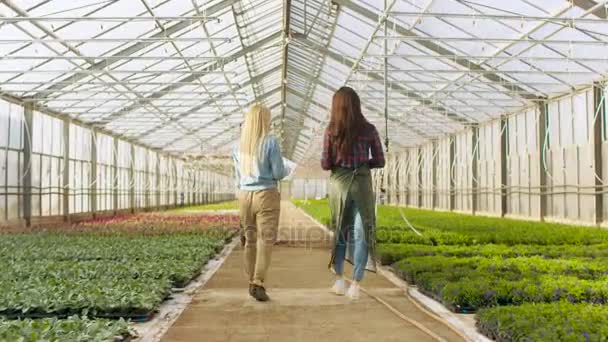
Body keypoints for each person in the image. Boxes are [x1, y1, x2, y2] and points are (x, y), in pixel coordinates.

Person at [321, 86, 385, 300]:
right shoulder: (369, 130)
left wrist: (340, 163)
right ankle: (356, 283)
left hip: (339, 186)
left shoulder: (331, 130)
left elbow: (325, 163)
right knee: (361, 232)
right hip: (362, 186)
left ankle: (339, 280)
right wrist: (363, 164)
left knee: (341, 230)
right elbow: (380, 161)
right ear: (357, 105)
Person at [232, 104, 290, 302]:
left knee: (250, 240)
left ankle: (251, 281)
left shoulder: (238, 146)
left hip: (244, 196)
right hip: (266, 194)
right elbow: (278, 173)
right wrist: (287, 169)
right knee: (265, 240)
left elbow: (237, 177)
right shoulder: (270, 142)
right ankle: (258, 282)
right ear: (264, 120)